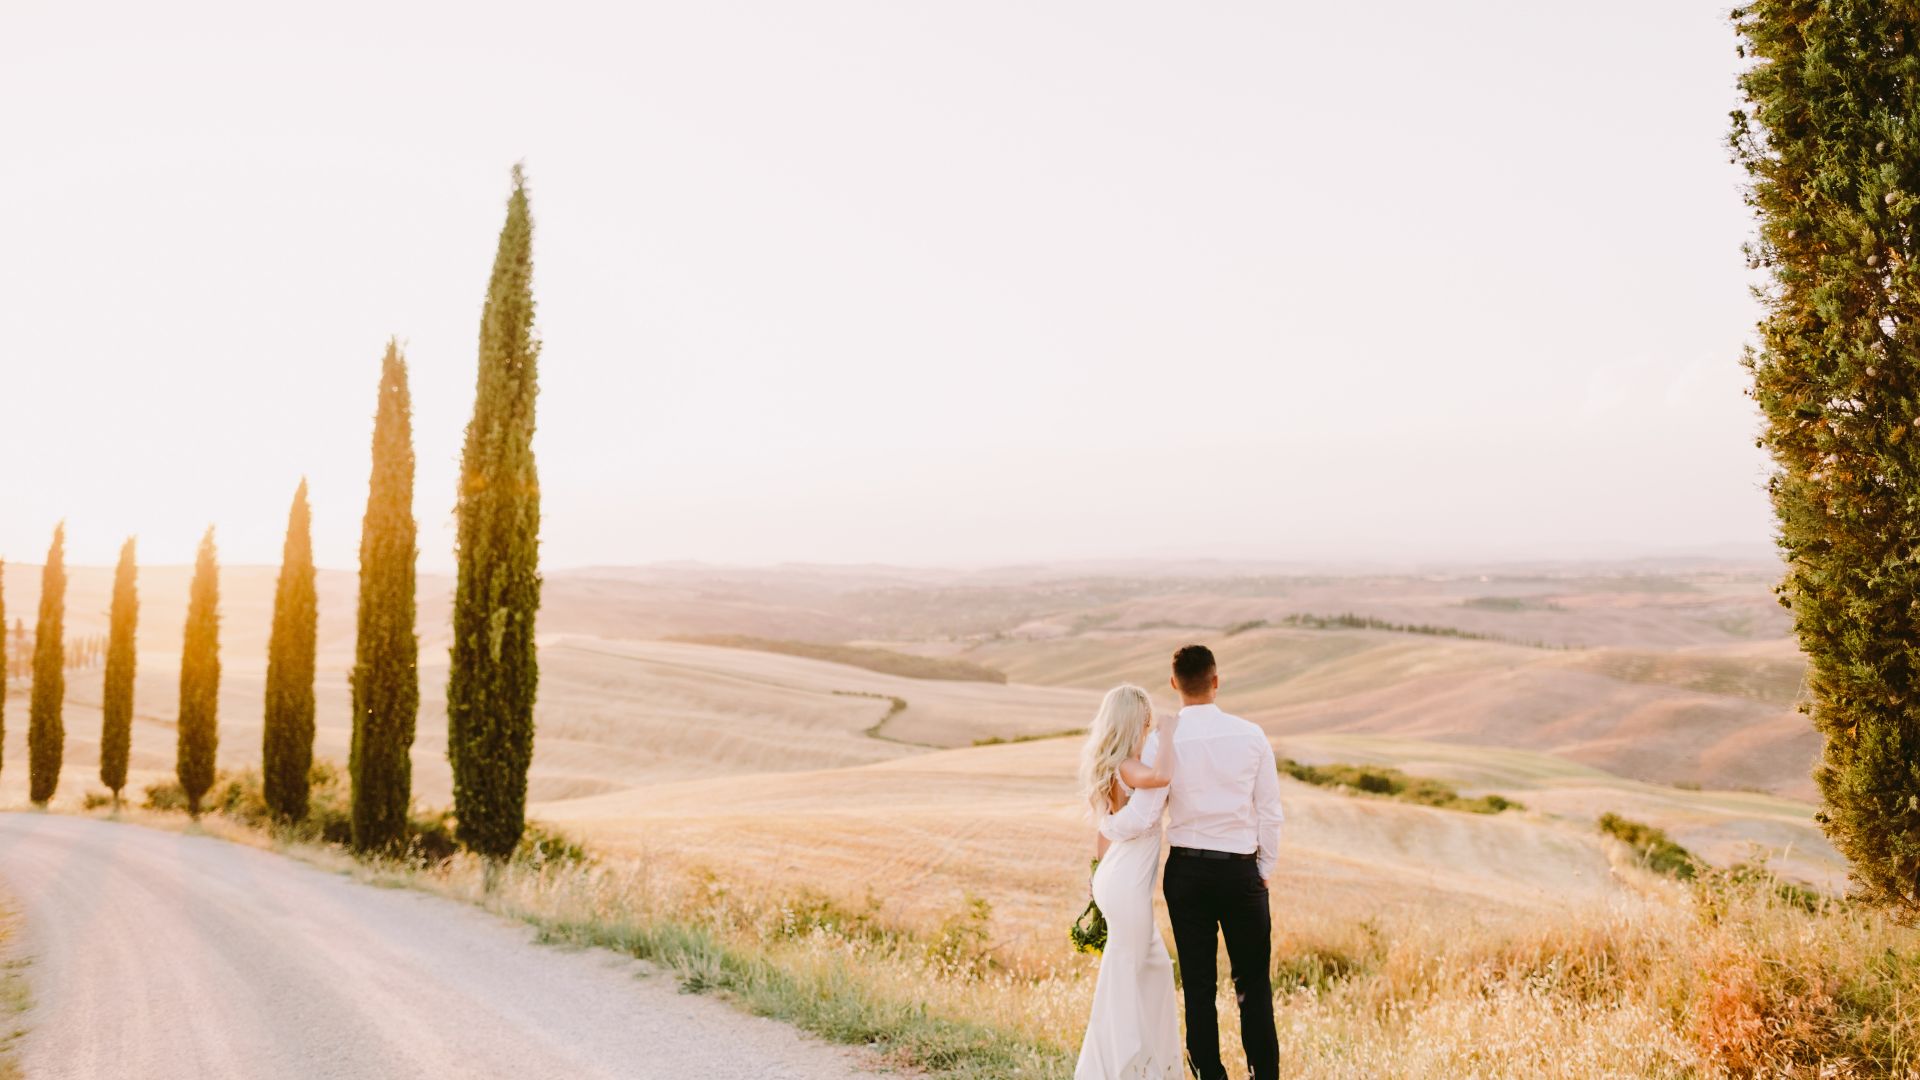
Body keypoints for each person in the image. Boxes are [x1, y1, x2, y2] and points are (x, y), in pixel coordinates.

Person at [1100, 644, 1283, 1080]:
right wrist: (1263, 871)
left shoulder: (1164, 740)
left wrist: (1104, 824)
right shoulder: (1252, 735)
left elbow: (1145, 815)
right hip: (1241, 873)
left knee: (1199, 989)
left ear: (1174, 684)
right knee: (1253, 986)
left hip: (1187, 874)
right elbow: (1271, 811)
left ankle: (1208, 1076)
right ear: (1216, 681)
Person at [1073, 684, 1183, 1079]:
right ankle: (1121, 1067)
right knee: (1127, 972)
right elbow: (1162, 774)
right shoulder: (1126, 767)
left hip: (1115, 878)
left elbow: (1104, 831)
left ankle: (1150, 1063)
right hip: (1126, 887)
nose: (1151, 727)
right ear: (1136, 721)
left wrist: (1095, 876)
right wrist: (1169, 735)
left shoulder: (1111, 768)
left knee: (1152, 966)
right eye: (1148, 721)